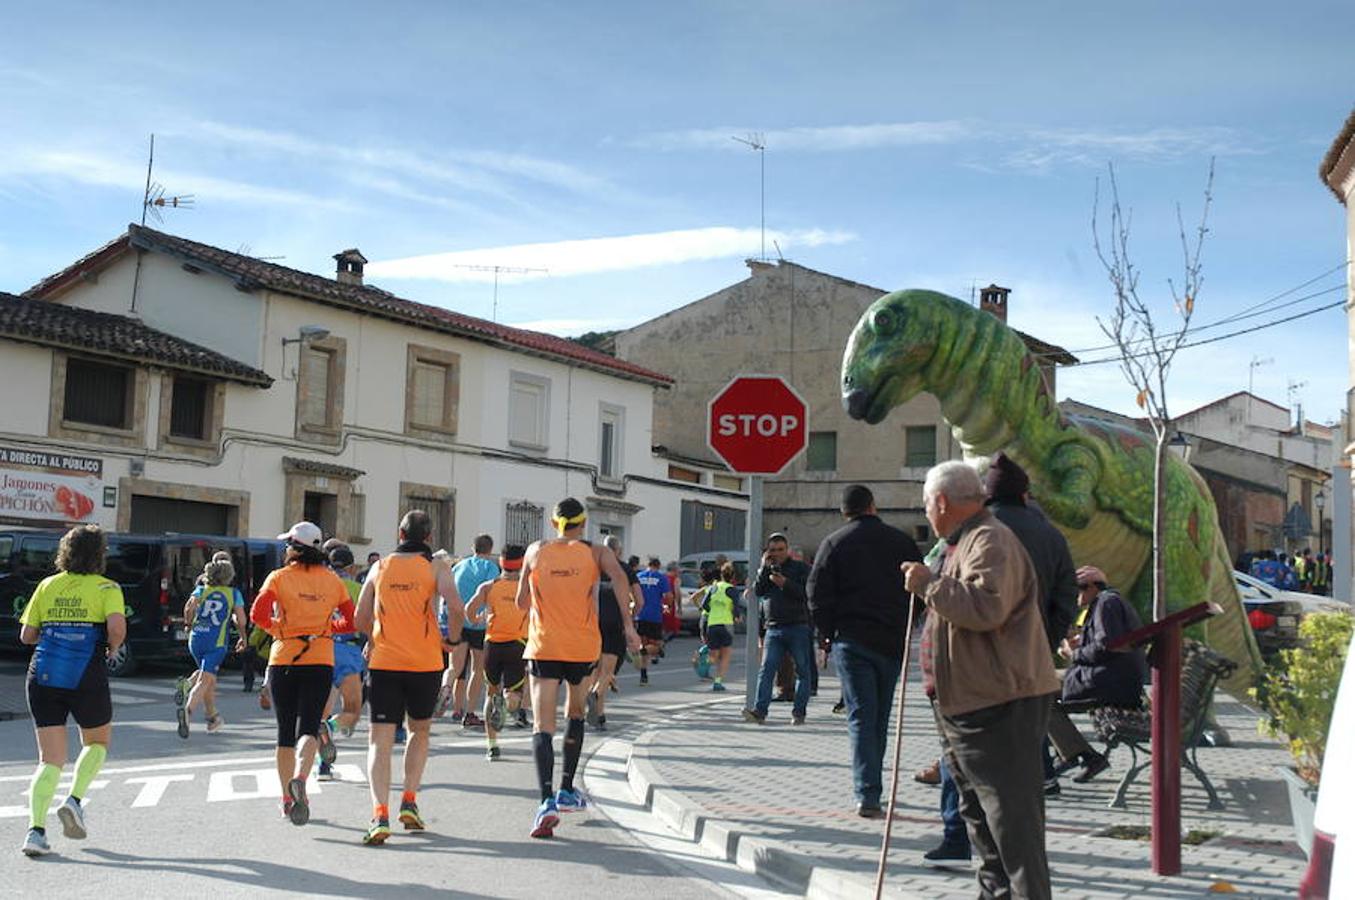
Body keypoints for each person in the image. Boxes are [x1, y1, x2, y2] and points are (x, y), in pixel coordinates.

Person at [901, 461, 1059, 900]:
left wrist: (929, 585)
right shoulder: (961, 542)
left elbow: (987, 608)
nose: (927, 514)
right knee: (981, 819)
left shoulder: (990, 539)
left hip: (998, 703)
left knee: (1012, 823)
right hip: (968, 704)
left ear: (942, 501)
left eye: (926, 505)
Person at [516, 498, 640, 838]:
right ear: (582, 523)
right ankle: (567, 789)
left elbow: (521, 602)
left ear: (554, 522)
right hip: (582, 645)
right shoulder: (598, 552)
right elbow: (619, 581)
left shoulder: (535, 550)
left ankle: (545, 801)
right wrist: (628, 627)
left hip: (544, 645)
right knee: (575, 712)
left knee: (542, 723)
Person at [807, 484, 921, 817]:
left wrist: (827, 634)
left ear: (844, 512)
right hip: (891, 641)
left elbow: (816, 595)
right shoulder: (902, 541)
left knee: (860, 716)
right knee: (880, 717)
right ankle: (872, 787)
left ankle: (868, 792)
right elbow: (922, 587)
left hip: (852, 640)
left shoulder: (834, 543)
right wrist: (908, 623)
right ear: (873, 506)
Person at [17, 524, 126, 858]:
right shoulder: (107, 587)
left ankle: (35, 832)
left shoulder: (47, 585)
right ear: (99, 555)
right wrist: (112, 647)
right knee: (97, 742)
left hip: (44, 675)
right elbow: (116, 630)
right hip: (85, 676)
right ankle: (74, 800)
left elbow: (27, 636)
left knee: (49, 760)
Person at [355, 510, 463, 845]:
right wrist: (454, 641)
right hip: (425, 662)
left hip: (385, 661)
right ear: (429, 538)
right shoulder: (436, 567)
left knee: (379, 741)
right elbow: (456, 608)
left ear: (400, 534)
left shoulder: (380, 566)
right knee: (419, 731)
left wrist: (374, 641)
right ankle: (410, 801)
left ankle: (379, 814)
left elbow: (359, 616)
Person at [982, 452, 1081, 798]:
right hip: (1035, 639)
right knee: (1030, 710)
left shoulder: (976, 528)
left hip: (984, 642)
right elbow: (1068, 589)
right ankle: (1042, 776)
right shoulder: (1050, 534)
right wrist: (1051, 634)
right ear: (1024, 494)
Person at [250, 521, 355, 827]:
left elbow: (258, 615)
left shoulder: (278, 577)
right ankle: (301, 781)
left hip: (284, 657)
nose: (285, 549)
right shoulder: (333, 581)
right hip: (320, 659)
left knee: (284, 732)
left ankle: (286, 799)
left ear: (296, 548)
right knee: (308, 727)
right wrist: (324, 630)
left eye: (288, 544)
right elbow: (349, 622)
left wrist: (280, 629)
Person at [1047, 566, 1148, 779]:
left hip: (1108, 681)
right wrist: (1082, 641)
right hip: (1111, 677)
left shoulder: (1106, 603)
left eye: (1078, 590)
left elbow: (1106, 646)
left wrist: (1072, 654)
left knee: (1037, 692)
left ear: (1092, 587)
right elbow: (1107, 640)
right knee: (1040, 686)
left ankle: (1077, 754)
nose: (1075, 597)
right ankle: (1073, 753)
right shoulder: (1106, 602)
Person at [742, 533, 813, 725]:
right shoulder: (767, 570)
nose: (777, 554)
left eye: (781, 549)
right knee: (766, 670)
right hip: (774, 628)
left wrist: (785, 584)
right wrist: (763, 568)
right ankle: (760, 711)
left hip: (797, 626)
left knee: (803, 672)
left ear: (787, 549)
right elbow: (758, 591)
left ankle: (799, 712)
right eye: (773, 550)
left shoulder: (800, 568)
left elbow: (806, 594)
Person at [466, 545, 528, 760]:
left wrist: (477, 620)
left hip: (492, 644)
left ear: (500, 564)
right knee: (514, 696)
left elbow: (469, 610)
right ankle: (506, 703)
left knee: (490, 693)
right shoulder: (527, 587)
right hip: (518, 643)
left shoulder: (488, 586)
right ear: (521, 564)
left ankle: (492, 746)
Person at [178, 557, 247, 738]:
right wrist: (243, 637)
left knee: (209, 679)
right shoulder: (233, 594)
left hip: (196, 638)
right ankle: (188, 711)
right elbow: (241, 619)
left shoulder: (201, 589)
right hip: (216, 642)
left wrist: (188, 623)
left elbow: (189, 606)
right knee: (204, 680)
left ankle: (212, 718)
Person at [318, 545, 366, 779]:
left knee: (322, 712)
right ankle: (332, 728)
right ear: (351, 567)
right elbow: (365, 621)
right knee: (352, 710)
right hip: (347, 651)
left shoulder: (320, 586)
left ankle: (322, 766)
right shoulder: (357, 588)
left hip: (321, 648)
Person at [443, 534, 500, 727]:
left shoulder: (459, 565)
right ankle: (469, 713)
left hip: (457, 620)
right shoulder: (491, 568)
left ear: (473, 547)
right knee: (477, 668)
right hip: (478, 622)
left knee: (456, 668)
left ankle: (448, 692)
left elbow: (448, 591)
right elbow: (490, 593)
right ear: (490, 549)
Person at [588, 535, 641, 731]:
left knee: (596, 671)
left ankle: (599, 716)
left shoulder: (593, 566)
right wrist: (630, 617)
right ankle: (594, 697)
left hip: (594, 623)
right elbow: (640, 600)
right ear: (618, 551)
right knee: (607, 672)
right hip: (615, 623)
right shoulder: (625, 569)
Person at [701, 562, 743, 692]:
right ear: (733, 576)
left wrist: (713, 610)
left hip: (712, 623)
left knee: (714, 654)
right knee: (725, 655)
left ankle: (704, 659)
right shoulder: (732, 589)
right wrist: (737, 617)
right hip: (726, 624)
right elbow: (736, 607)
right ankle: (718, 682)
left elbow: (704, 604)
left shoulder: (713, 587)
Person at [633, 558, 670, 685]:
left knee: (644, 643)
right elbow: (668, 596)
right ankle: (650, 651)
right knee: (658, 645)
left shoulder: (638, 576)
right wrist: (667, 606)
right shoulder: (661, 577)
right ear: (658, 566)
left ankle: (643, 676)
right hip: (655, 615)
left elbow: (630, 593)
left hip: (640, 614)